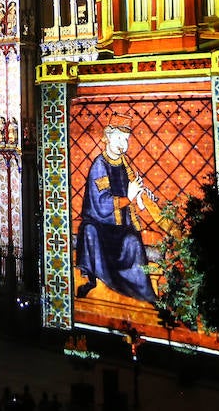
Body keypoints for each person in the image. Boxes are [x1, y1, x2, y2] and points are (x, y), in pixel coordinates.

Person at [74, 116, 158, 302]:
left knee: (134, 243)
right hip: (100, 224)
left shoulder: (125, 163)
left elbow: (132, 186)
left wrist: (140, 195)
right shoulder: (99, 166)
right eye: (119, 138)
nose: (123, 144)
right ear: (107, 137)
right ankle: (91, 281)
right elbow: (102, 204)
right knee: (89, 231)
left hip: (121, 225)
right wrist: (129, 197)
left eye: (126, 140)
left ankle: (145, 293)